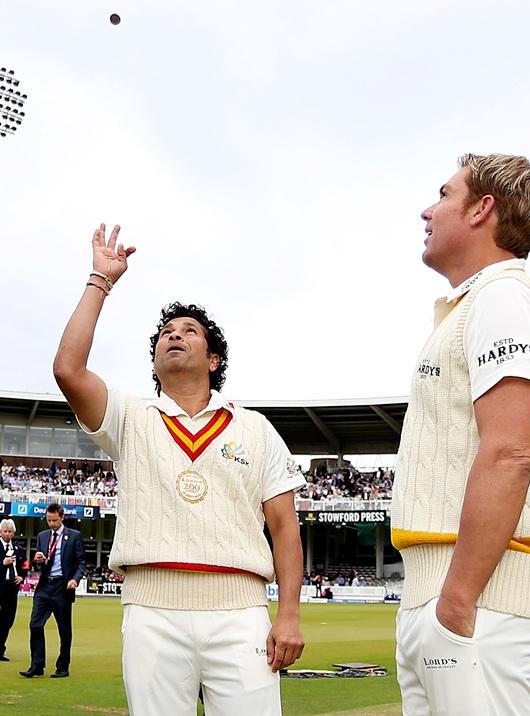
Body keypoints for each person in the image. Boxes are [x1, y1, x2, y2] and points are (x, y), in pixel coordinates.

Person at [51, 223, 305, 715]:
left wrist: (289, 614)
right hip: (151, 610)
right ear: (154, 362)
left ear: (212, 359)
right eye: (166, 333)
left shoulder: (254, 427)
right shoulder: (129, 417)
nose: (175, 335)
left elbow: (284, 526)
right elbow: (68, 370)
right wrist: (100, 281)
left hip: (241, 612)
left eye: (189, 331)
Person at [391, 153, 530, 715]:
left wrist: (458, 600)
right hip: (445, 594)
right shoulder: (475, 305)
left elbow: (511, 452)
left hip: (476, 600)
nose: (427, 210)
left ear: (481, 210)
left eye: (443, 194)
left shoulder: (504, 298)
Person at [20, 503, 85, 678]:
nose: (51, 524)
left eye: (54, 520)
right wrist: (38, 560)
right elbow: (38, 562)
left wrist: (75, 579)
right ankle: (37, 665)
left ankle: (63, 667)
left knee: (64, 629)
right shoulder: (42, 536)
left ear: (62, 517)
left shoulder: (74, 536)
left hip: (62, 587)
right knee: (35, 624)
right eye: (48, 520)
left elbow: (81, 563)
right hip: (44, 586)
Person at [0, 518, 27, 661]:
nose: (7, 534)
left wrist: (22, 577)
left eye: (10, 531)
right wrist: (2, 562)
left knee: (7, 620)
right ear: (0, 532)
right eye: (5, 531)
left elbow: (25, 566)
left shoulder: (18, 548)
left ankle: (0, 649)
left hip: (11, 589)